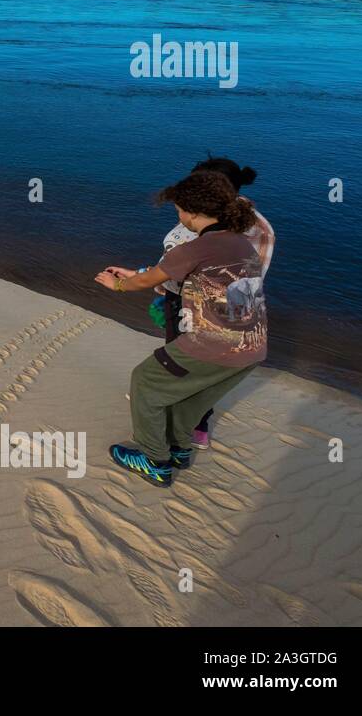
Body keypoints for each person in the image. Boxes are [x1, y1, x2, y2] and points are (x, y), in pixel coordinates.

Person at [96, 171, 268, 487]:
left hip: (212, 344)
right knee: (191, 399)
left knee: (145, 380)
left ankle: (154, 460)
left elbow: (147, 282)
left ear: (192, 212)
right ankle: (179, 451)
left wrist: (118, 284)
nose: (179, 217)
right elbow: (180, 276)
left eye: (178, 210)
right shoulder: (241, 245)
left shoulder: (194, 247)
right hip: (253, 349)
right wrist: (137, 273)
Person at [158, 157, 274, 448]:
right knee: (206, 361)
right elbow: (253, 273)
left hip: (191, 302)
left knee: (182, 359)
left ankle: (179, 428)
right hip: (239, 307)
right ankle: (198, 424)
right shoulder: (261, 226)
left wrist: (150, 283)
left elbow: (180, 267)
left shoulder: (207, 223)